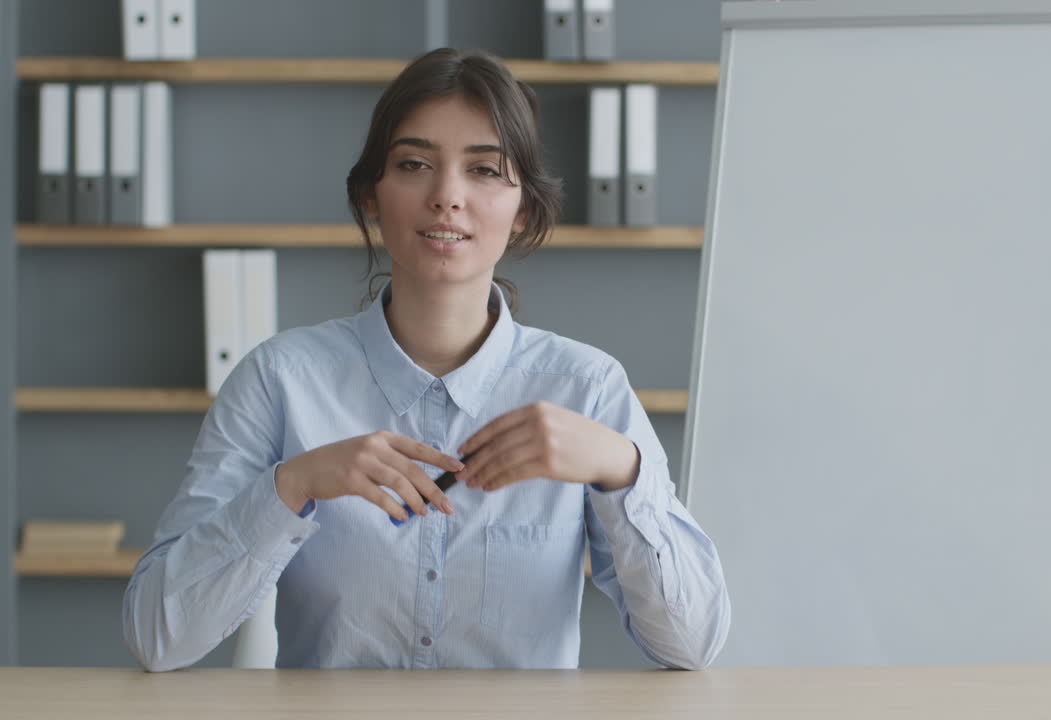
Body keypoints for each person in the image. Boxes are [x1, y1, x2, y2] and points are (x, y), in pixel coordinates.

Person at [122, 48, 730, 672]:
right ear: (370, 197)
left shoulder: (588, 387)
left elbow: (694, 645)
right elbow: (157, 638)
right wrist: (292, 485)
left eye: (485, 170)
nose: (447, 197)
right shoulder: (279, 379)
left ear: (523, 209)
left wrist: (620, 468)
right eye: (414, 164)